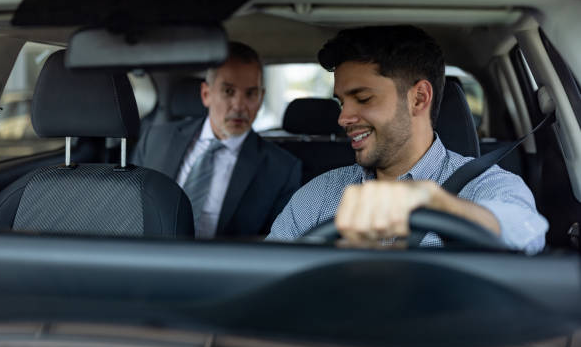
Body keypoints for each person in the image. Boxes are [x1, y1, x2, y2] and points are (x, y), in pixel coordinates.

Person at [267, 25, 548, 254]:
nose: (343, 118)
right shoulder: (318, 197)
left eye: (363, 98)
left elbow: (526, 233)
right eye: (342, 103)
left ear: (419, 98)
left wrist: (439, 204)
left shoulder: (484, 186)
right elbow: (268, 278)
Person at [133, 42, 301, 239]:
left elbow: (277, 241)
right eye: (228, 91)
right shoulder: (156, 139)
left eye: (250, 94)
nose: (239, 106)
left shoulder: (281, 169)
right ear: (206, 94)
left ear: (261, 97)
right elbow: (129, 211)